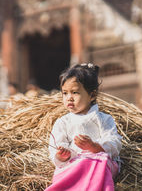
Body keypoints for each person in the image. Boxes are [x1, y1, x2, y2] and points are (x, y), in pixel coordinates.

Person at [45, 63, 122, 191]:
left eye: (75, 92)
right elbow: (55, 146)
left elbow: (115, 141)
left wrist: (95, 147)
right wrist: (62, 155)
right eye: (65, 93)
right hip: (73, 163)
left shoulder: (103, 119)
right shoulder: (63, 122)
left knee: (92, 162)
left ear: (92, 95)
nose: (69, 98)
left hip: (98, 161)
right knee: (73, 167)